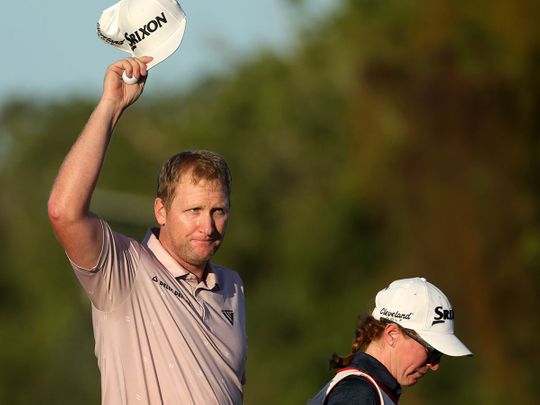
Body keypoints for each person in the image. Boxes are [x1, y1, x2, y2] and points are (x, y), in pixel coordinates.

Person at [48, 57, 247, 404]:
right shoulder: (124, 269)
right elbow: (64, 212)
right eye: (194, 211)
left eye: (219, 211)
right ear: (161, 210)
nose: (208, 226)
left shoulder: (232, 286)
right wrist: (112, 106)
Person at [308, 277, 473, 404]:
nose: (435, 365)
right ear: (393, 334)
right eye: (433, 351)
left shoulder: (371, 390)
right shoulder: (357, 394)